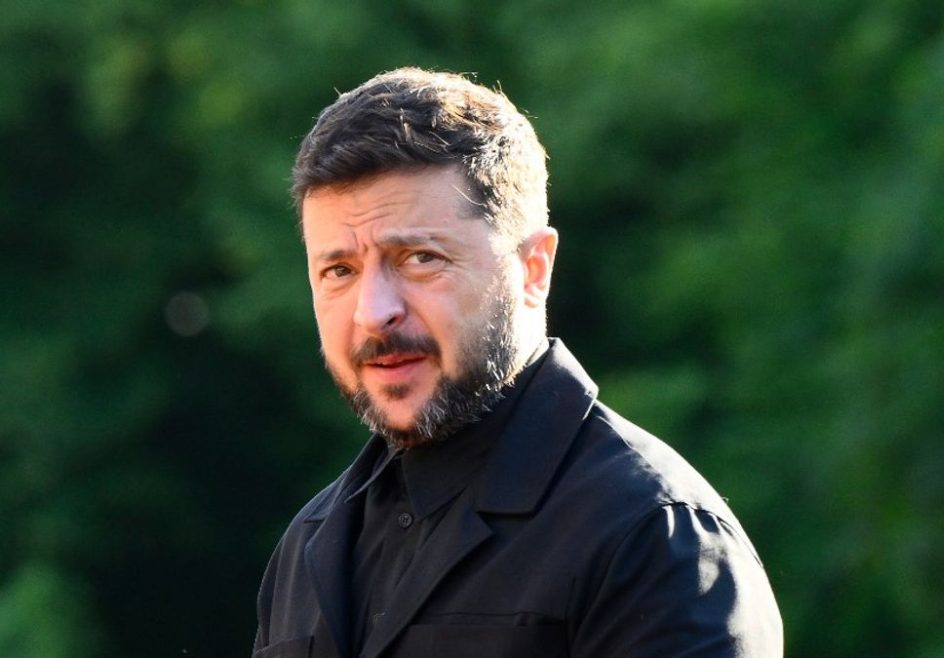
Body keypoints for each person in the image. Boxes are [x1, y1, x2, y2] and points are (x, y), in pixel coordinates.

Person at [253, 67, 783, 658]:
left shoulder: (650, 534)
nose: (374, 313)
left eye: (420, 258)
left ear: (534, 269)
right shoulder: (307, 546)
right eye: (339, 271)